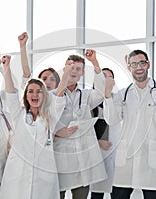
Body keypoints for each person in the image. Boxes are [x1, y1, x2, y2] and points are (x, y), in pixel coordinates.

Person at [103, 49, 156, 199]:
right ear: (129, 67)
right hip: (126, 160)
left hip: (150, 160)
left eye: (142, 63)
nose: (138, 67)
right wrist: (107, 94)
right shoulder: (123, 94)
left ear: (148, 65)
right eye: (134, 64)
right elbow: (112, 119)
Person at [0, 55, 70, 199]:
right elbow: (11, 93)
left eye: (39, 91)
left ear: (44, 95)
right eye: (30, 91)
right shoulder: (19, 115)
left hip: (43, 173)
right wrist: (6, 68)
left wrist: (67, 71)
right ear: (26, 95)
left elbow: (60, 94)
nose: (35, 94)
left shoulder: (51, 117)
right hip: (18, 172)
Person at [53, 49, 108, 199]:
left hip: (82, 157)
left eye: (78, 69)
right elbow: (45, 121)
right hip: (60, 155)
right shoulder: (51, 95)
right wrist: (57, 131)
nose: (74, 71)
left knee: (81, 195)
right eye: (71, 68)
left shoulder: (87, 95)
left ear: (82, 73)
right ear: (64, 70)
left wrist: (95, 63)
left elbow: (102, 93)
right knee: (58, 194)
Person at [90, 68, 122, 199]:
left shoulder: (118, 100)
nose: (107, 80)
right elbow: (80, 130)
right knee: (97, 193)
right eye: (104, 77)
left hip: (116, 153)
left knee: (118, 190)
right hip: (96, 155)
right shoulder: (88, 100)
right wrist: (97, 142)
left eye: (110, 77)